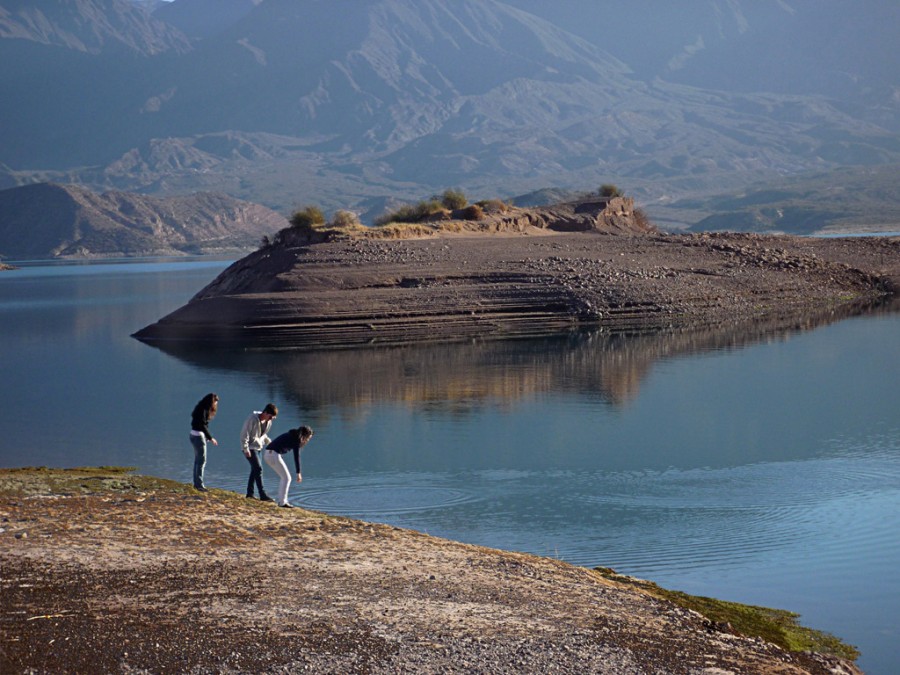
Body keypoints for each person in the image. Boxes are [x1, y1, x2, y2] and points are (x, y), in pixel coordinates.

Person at [264, 426, 314, 508]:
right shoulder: (296, 439)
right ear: (304, 435)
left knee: (285, 478)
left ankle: (282, 501)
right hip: (272, 455)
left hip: (270, 454)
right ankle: (282, 502)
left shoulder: (292, 435)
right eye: (308, 438)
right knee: (286, 478)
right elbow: (296, 456)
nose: (308, 440)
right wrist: (298, 473)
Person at [240, 403, 277, 501]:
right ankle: (262, 494)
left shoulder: (268, 422)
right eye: (270, 417)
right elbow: (244, 434)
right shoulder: (252, 419)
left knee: (255, 470)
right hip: (250, 447)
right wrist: (245, 448)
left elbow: (262, 435)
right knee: (258, 468)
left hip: (258, 447)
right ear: (265, 412)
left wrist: (270, 443)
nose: (271, 419)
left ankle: (249, 494)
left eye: (273, 418)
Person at [189, 393, 219, 492]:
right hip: (198, 436)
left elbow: (199, 424)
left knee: (197, 460)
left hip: (193, 434)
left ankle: (196, 483)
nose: (215, 405)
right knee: (202, 461)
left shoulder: (199, 408)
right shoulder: (204, 410)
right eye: (215, 402)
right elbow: (202, 426)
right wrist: (210, 438)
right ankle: (199, 485)